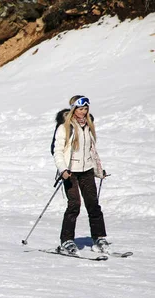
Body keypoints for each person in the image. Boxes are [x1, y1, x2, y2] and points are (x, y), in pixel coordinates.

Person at [53, 95, 109, 255]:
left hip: (87, 171)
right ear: (73, 109)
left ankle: (99, 238)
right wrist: (63, 169)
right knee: (74, 205)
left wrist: (99, 171)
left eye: (85, 109)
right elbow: (58, 151)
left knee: (93, 205)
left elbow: (92, 151)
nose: (83, 112)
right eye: (80, 109)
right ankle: (66, 240)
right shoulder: (65, 127)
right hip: (70, 173)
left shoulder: (88, 126)